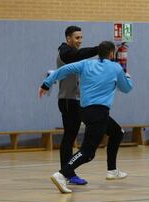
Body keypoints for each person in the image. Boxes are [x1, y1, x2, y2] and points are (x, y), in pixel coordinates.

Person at [39, 41, 133, 193]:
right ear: (111, 54)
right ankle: (61, 174)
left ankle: (112, 170)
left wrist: (46, 84)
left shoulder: (85, 64)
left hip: (86, 112)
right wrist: (127, 77)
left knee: (117, 133)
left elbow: (62, 70)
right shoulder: (116, 68)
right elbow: (126, 88)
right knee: (88, 153)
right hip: (99, 113)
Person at [54, 25, 101, 185]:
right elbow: (79, 54)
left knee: (72, 136)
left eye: (81, 38)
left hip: (76, 101)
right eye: (77, 38)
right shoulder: (65, 53)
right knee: (69, 137)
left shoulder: (73, 55)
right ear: (68, 39)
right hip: (68, 100)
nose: (80, 41)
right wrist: (98, 49)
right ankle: (66, 173)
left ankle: (67, 171)